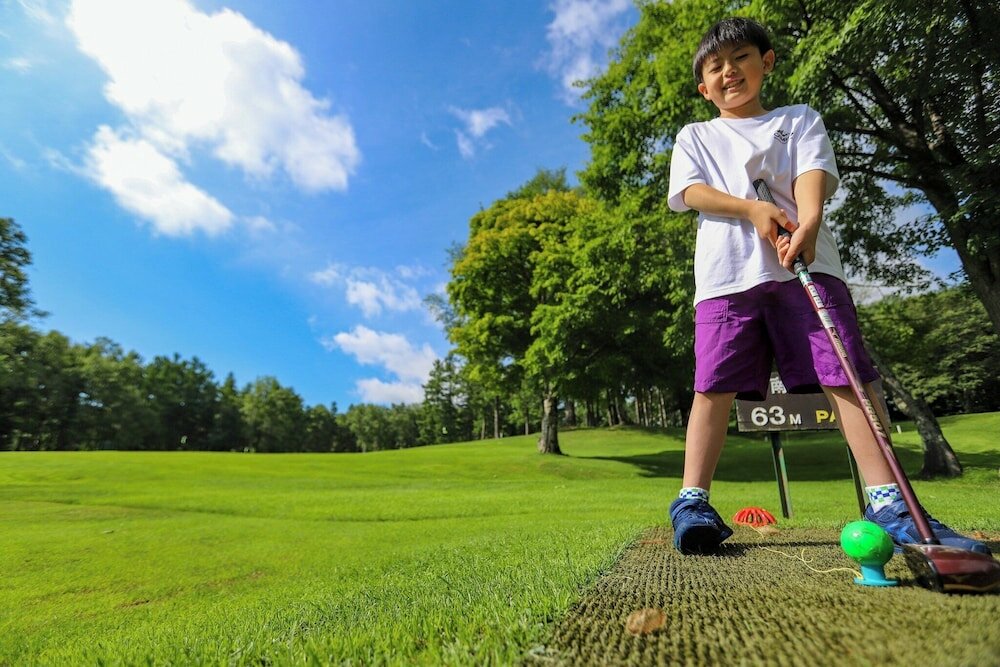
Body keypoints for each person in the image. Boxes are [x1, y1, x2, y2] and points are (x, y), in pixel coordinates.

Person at [665, 17, 989, 556]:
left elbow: (813, 175)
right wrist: (753, 208)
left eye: (740, 58)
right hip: (726, 278)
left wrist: (807, 222)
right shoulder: (696, 135)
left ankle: (887, 500)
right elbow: (692, 192)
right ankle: (692, 500)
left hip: (807, 268)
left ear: (765, 62)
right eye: (715, 68)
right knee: (714, 384)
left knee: (847, 376)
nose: (729, 73)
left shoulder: (799, 119)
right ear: (704, 87)